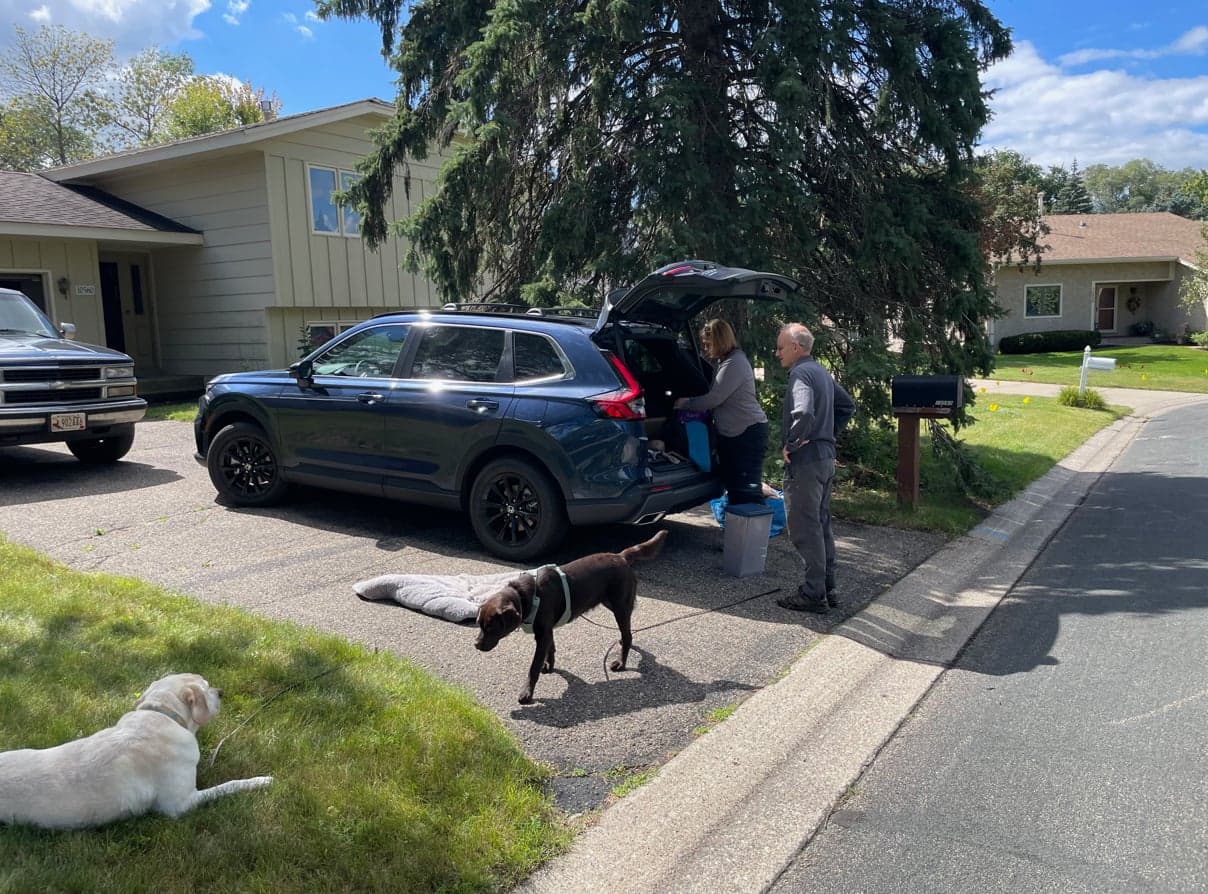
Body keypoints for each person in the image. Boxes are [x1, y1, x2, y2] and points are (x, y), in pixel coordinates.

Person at [773, 322, 855, 612]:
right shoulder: (821, 371)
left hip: (806, 462)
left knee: (805, 528)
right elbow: (847, 406)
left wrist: (793, 443)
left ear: (796, 347)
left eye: (781, 347)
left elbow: (804, 411)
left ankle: (813, 594)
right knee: (821, 525)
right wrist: (827, 434)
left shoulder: (801, 373)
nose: (776, 353)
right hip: (826, 458)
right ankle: (828, 587)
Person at [673, 318, 768, 505]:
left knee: (746, 489)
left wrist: (686, 403)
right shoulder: (727, 361)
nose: (706, 349)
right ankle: (740, 530)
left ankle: (751, 531)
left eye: (708, 344)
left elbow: (714, 398)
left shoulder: (735, 363)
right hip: (736, 433)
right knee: (736, 488)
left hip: (746, 433)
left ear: (720, 340)